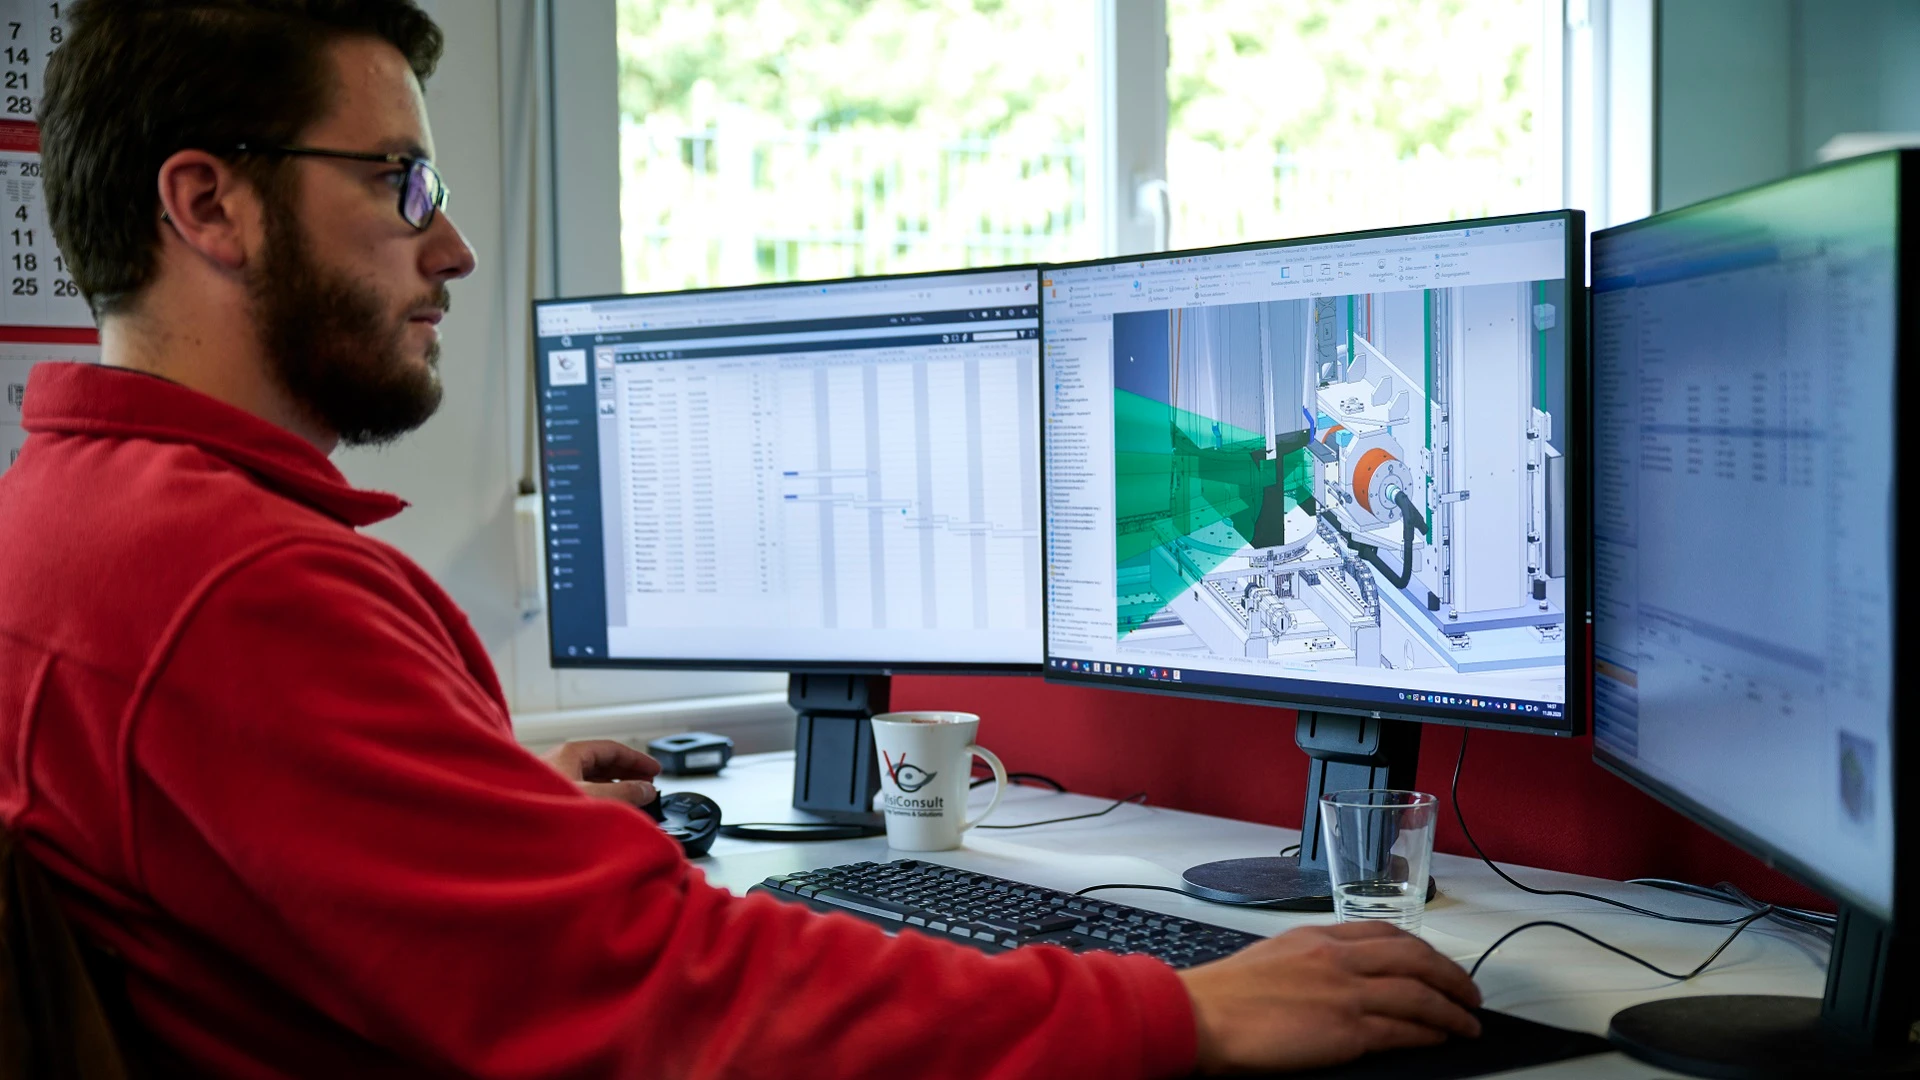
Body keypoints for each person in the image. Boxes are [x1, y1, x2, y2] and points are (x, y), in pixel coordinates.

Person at [0, 1, 1483, 1075]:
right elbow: (669, 998)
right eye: (400, 181)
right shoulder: (245, 590)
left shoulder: (67, 519)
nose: (447, 244)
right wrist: (1181, 1014)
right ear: (209, 204)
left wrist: (477, 797)